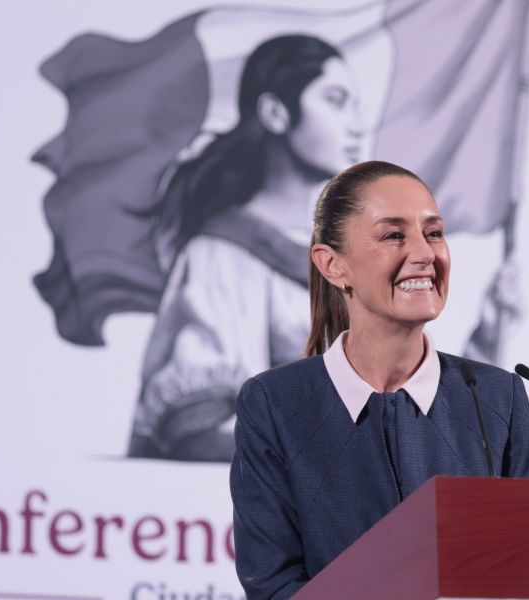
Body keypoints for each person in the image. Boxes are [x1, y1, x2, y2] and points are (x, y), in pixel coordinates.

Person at [229, 160, 529, 598]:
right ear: (333, 265)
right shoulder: (274, 404)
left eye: (433, 233)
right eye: (394, 235)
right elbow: (273, 585)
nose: (424, 254)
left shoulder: (499, 398)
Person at [126, 35, 365, 461]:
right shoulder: (223, 253)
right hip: (239, 523)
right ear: (275, 113)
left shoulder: (347, 263)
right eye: (335, 100)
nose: (356, 124)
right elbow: (199, 426)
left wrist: (488, 335)